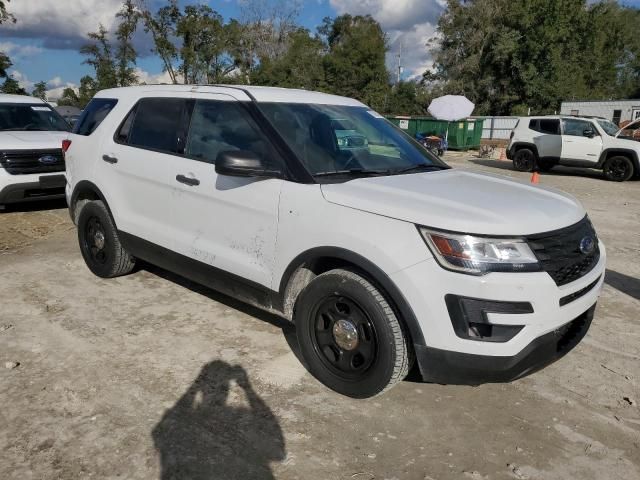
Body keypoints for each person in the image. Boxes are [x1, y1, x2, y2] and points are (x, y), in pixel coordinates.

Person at [152, 361, 285, 480]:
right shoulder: (240, 421)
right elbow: (278, 451)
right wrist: (247, 388)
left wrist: (195, 386)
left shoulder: (189, 425)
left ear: (203, 390)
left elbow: (165, 427)